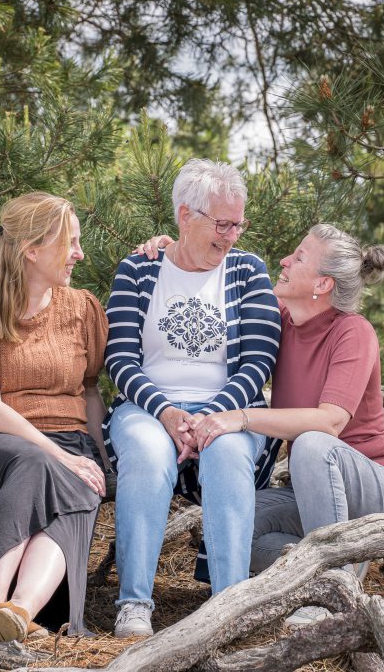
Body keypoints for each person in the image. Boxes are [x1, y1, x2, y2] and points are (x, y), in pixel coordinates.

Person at [140, 223, 384, 625]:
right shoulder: (279, 318)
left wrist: (241, 417)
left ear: (322, 284)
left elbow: (331, 421)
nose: (284, 261)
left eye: (299, 257)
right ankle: (322, 567)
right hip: (313, 493)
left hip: (378, 490)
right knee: (235, 527)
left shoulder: (353, 332)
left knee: (311, 443)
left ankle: (331, 588)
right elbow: (221, 287)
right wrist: (182, 253)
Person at [104, 159, 282, 638]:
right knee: (144, 449)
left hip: (232, 412)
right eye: (221, 224)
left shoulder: (249, 271)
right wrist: (166, 412)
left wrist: (206, 417)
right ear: (185, 216)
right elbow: (119, 359)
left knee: (225, 453)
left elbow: (258, 362)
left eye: (238, 224)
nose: (231, 236)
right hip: (147, 407)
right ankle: (135, 603)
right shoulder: (138, 271)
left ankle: (229, 604)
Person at [0, 192, 108, 642]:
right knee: (40, 463)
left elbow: (90, 389)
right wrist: (63, 458)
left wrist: (98, 458)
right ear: (32, 249)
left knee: (79, 486)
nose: (79, 253)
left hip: (66, 441)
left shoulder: (82, 308)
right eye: (70, 242)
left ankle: (17, 613)